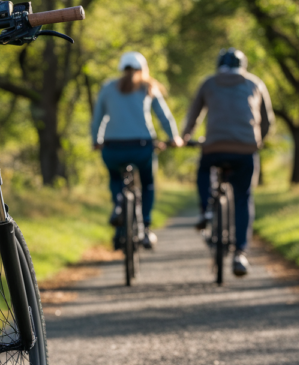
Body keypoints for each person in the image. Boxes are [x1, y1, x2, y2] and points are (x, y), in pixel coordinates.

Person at [181, 48, 274, 276]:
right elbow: (267, 120)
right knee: (243, 198)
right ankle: (240, 253)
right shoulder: (255, 83)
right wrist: (259, 140)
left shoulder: (209, 83)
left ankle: (206, 210)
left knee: (204, 169)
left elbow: (194, 114)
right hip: (246, 149)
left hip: (215, 147)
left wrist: (186, 137)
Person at [92, 51, 183, 249]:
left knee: (116, 178)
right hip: (141, 147)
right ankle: (146, 226)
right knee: (147, 183)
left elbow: (98, 117)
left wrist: (96, 141)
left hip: (112, 147)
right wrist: (174, 138)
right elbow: (164, 116)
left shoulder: (108, 87)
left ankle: (119, 205)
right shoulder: (148, 87)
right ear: (143, 69)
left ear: (121, 68)